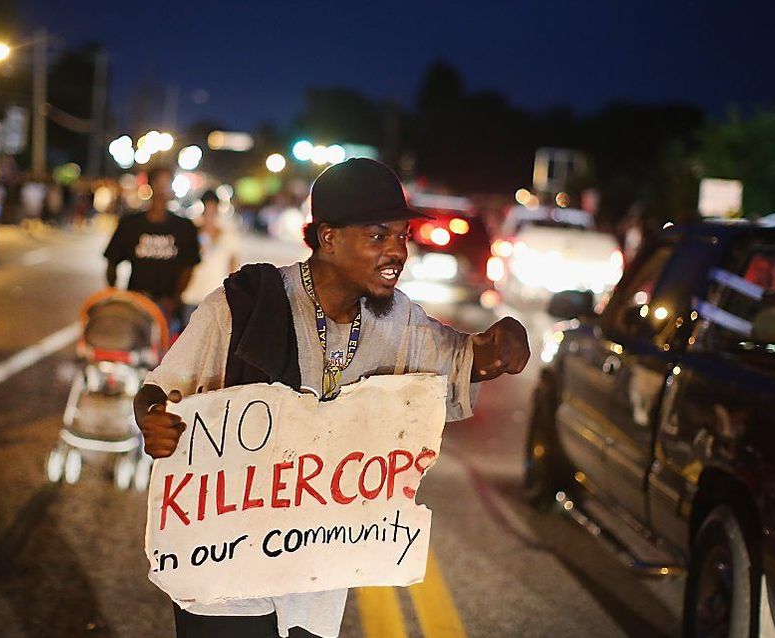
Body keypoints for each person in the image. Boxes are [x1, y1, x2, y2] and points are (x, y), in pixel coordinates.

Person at [134, 158, 530, 638]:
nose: (397, 252)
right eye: (378, 236)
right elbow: (158, 389)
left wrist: (504, 340)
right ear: (329, 236)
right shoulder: (245, 304)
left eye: (402, 236)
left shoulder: (399, 322)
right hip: (224, 575)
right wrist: (154, 418)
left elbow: (469, 359)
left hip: (311, 586)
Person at [104, 166, 200, 331]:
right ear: (150, 185)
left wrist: (175, 298)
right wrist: (115, 293)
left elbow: (189, 266)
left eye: (167, 183)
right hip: (136, 302)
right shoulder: (131, 224)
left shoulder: (184, 227)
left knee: (171, 351)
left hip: (168, 306)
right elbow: (113, 260)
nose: (163, 189)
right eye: (158, 183)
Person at [180, 190, 241, 324]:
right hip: (191, 294)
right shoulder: (192, 232)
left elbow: (233, 267)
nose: (210, 213)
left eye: (213, 209)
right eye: (207, 209)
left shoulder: (228, 235)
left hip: (215, 296)